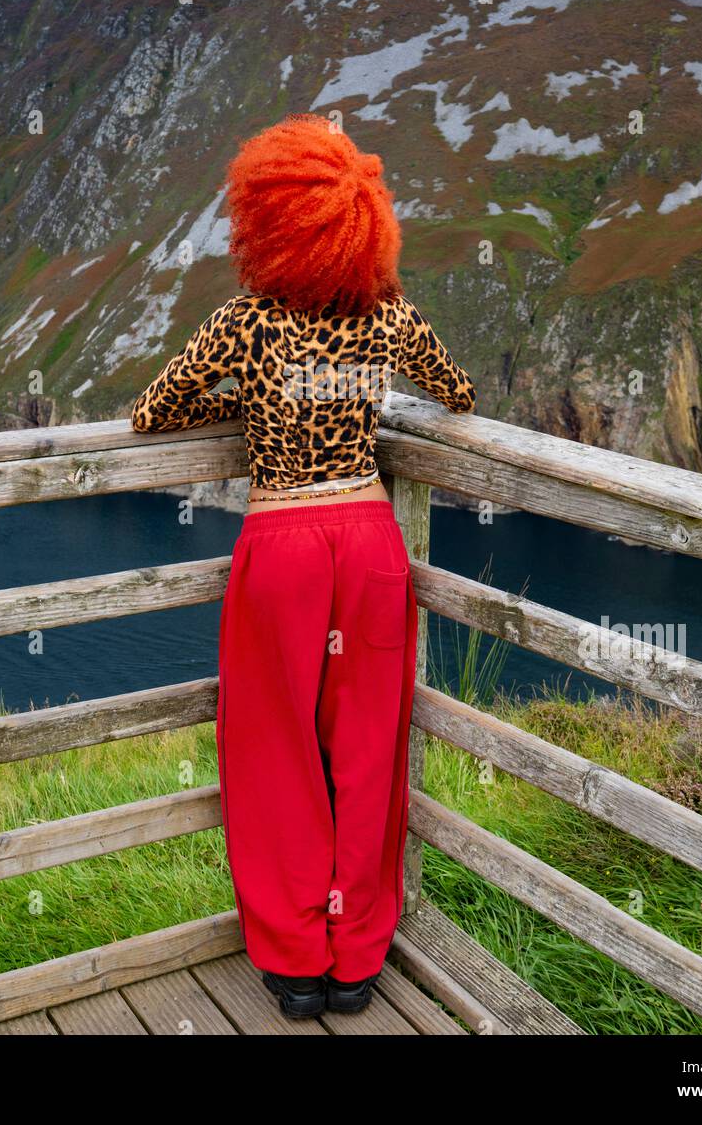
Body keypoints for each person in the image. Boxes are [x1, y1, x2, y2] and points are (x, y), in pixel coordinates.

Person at [131, 113, 476, 1020]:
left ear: (268, 221)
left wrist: (245, 408)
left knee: (275, 747)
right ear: (366, 224)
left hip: (282, 542)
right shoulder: (388, 314)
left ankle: (292, 966)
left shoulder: (245, 323)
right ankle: (357, 958)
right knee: (366, 748)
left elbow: (154, 413)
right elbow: (457, 391)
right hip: (368, 543)